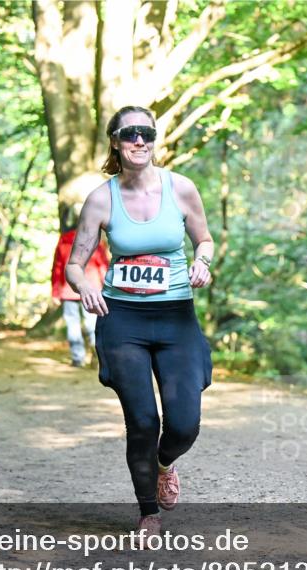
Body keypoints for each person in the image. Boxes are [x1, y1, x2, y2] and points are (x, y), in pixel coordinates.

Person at [66, 105, 214, 544]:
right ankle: (148, 511)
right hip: (122, 318)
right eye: (130, 133)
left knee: (184, 424)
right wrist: (86, 284)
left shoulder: (181, 189)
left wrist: (202, 261)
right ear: (114, 139)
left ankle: (165, 466)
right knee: (143, 421)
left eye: (147, 133)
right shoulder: (101, 198)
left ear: (155, 139)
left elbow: (203, 239)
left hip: (176, 318)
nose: (139, 140)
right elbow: (76, 264)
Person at [51, 226, 109, 367]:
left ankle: (78, 358)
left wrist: (55, 291)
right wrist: (107, 286)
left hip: (69, 289)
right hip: (92, 288)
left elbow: (58, 267)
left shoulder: (63, 241)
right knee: (93, 324)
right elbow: (102, 265)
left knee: (73, 324)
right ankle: (98, 355)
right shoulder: (93, 240)